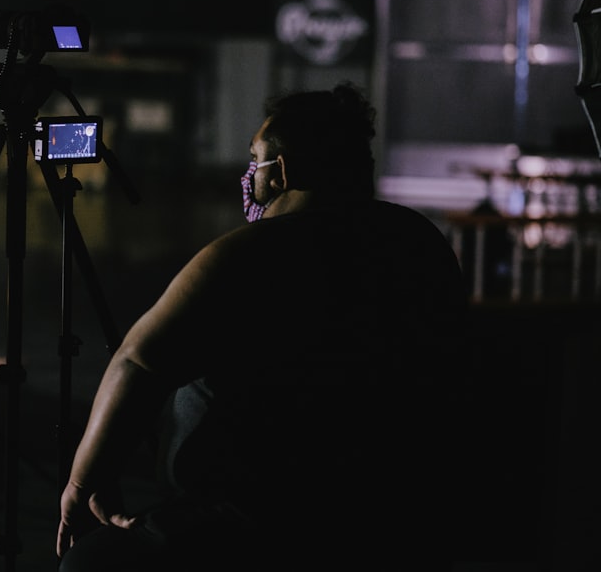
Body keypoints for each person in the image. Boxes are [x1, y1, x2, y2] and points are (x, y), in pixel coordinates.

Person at [56, 82, 476, 570]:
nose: (250, 174)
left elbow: (137, 362)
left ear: (284, 171)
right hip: (395, 509)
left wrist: (80, 484)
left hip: (252, 521)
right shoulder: (419, 242)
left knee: (90, 564)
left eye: (257, 159)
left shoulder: (248, 253)